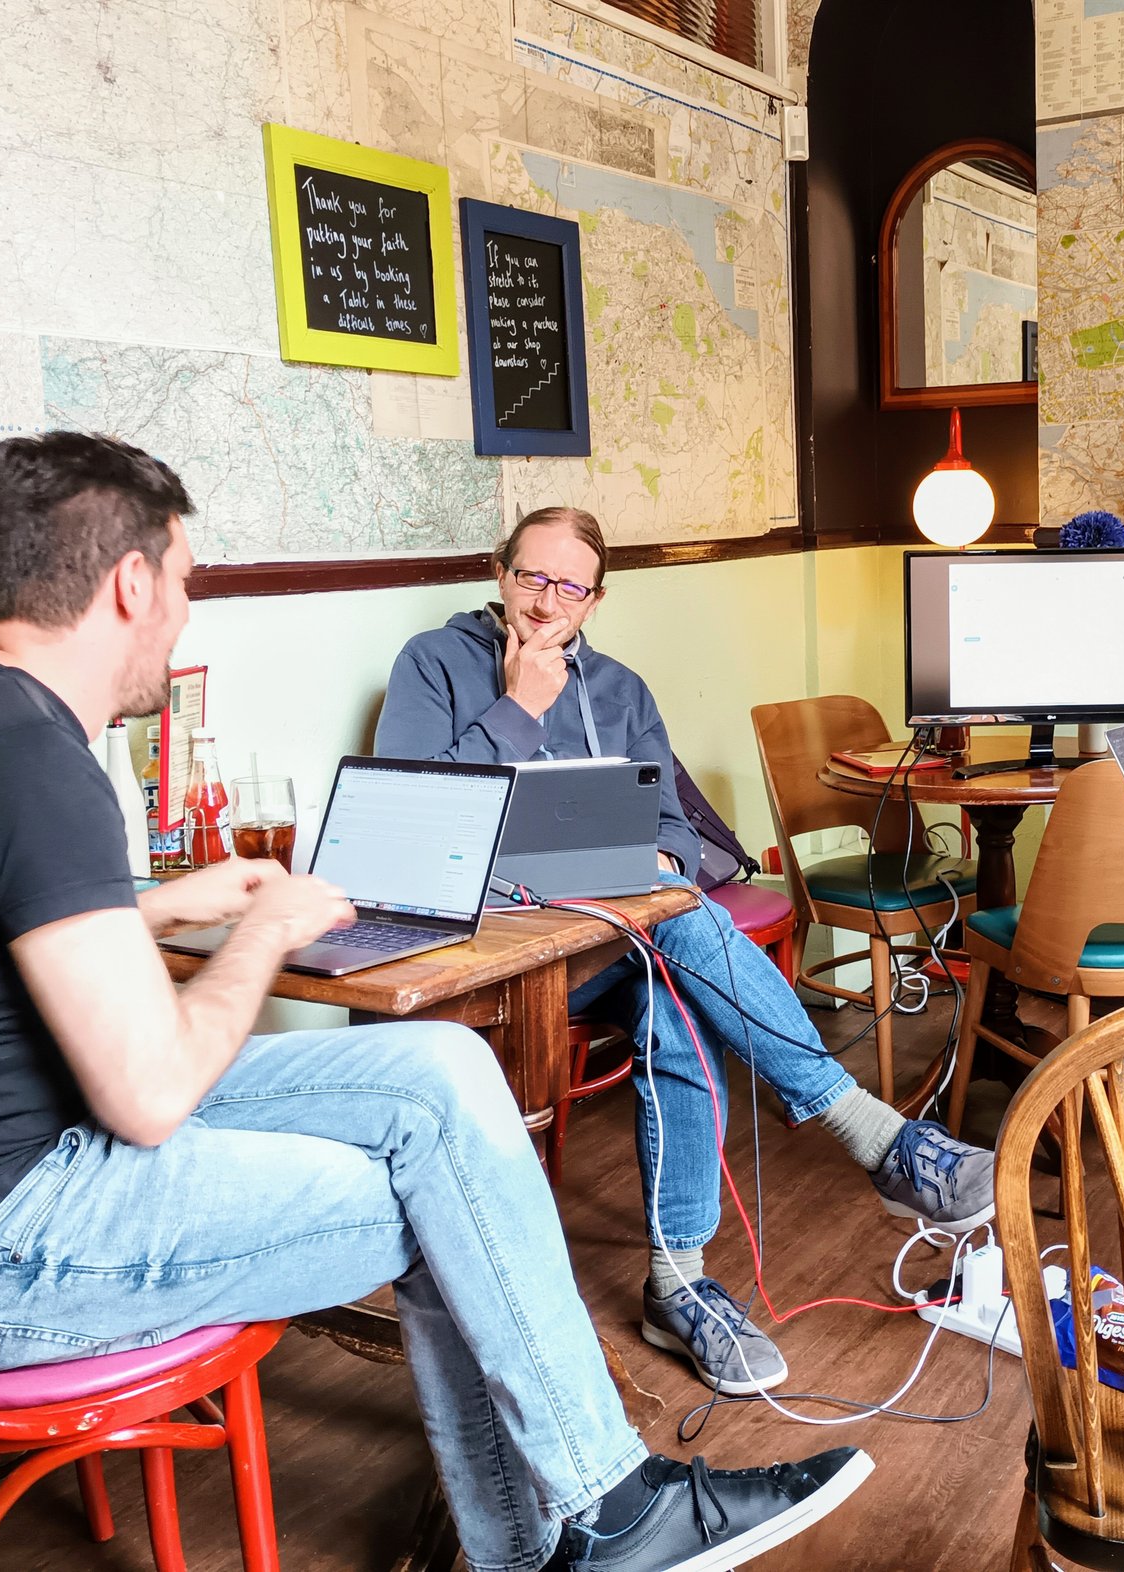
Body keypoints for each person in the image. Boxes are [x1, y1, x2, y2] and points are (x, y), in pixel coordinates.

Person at [0, 433, 871, 1572]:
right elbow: (149, 1096)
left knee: (442, 1074)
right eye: (186, 581)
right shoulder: (38, 764)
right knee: (451, 1197)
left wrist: (151, 906)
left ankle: (558, 1531)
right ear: (132, 583)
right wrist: (263, 933)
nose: (187, 612)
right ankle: (599, 1518)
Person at [375, 506, 996, 1396]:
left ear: (596, 600)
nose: (546, 603)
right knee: (681, 940)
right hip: (503, 952)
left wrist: (659, 864)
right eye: (531, 578)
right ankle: (873, 1138)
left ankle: (678, 1285)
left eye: (569, 587)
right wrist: (520, 708)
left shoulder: (621, 689)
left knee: (677, 984)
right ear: (499, 573)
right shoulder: (432, 664)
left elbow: (673, 824)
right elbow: (414, 821)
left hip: (617, 943)